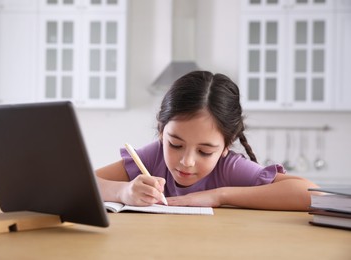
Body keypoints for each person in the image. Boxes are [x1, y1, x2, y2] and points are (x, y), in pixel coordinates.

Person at [96, 71, 318, 211]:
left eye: (204, 151)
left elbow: (312, 194)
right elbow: (80, 184)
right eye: (175, 145)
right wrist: (123, 191)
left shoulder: (228, 169)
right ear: (162, 131)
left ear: (226, 146)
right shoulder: (153, 156)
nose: (187, 162)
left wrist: (219, 195)